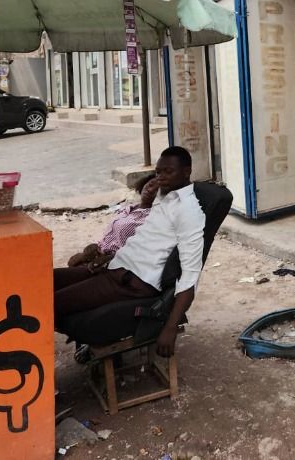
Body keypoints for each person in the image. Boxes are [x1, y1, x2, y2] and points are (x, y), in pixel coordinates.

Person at [54, 146, 205, 357]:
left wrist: (170, 328)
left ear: (187, 171)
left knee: (48, 303)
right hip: (116, 267)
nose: (161, 178)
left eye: (168, 172)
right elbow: (143, 241)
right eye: (158, 172)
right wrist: (110, 257)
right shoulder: (166, 199)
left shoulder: (189, 212)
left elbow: (190, 276)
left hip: (132, 282)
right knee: (47, 280)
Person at [65, 174, 158, 272]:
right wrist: (89, 252)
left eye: (157, 191)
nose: (150, 190)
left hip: (111, 264)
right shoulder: (130, 208)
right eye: (150, 184)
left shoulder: (151, 218)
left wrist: (107, 258)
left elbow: (139, 252)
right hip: (96, 253)